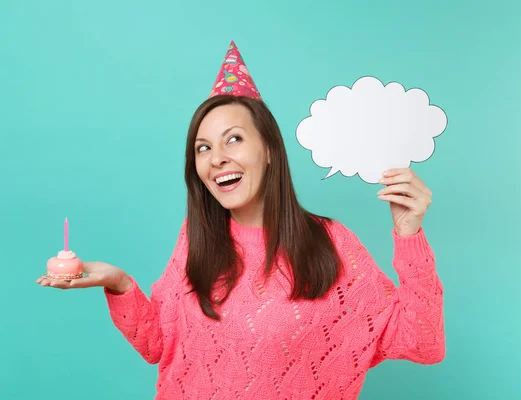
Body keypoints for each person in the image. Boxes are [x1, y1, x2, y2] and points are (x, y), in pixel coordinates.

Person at [36, 41, 445, 399]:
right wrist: (119, 283)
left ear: (269, 149)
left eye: (234, 138)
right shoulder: (197, 238)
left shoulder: (332, 243)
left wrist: (409, 235)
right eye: (203, 147)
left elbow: (424, 342)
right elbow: (158, 345)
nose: (217, 158)